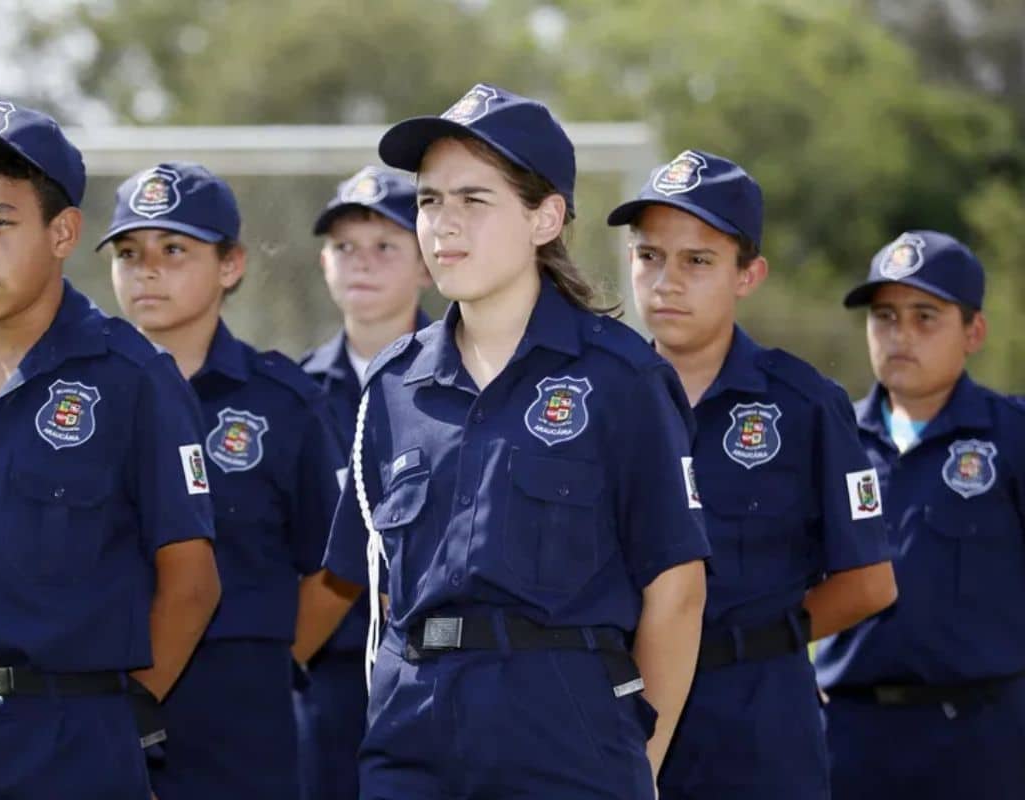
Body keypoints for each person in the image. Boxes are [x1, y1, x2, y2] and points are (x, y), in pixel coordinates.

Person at [297, 83, 710, 799]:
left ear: (544, 217)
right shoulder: (393, 386)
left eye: (473, 200)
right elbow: (382, 593)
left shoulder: (622, 378)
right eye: (429, 201)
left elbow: (676, 592)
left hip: (566, 738)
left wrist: (639, 764)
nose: (442, 225)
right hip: (412, 740)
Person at [0, 99, 220, 800]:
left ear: (62, 233)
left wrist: (118, 717)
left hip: (75, 734)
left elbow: (192, 582)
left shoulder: (132, 377)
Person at [609, 149, 898, 800]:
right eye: (648, 255)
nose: (666, 281)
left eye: (698, 261)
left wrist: (761, 639)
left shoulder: (803, 404)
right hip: (619, 712)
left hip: (756, 722)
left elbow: (868, 581)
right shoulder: (591, 402)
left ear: (749, 274)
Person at [100, 160, 345, 800]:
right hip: (98, 703)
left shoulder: (283, 403)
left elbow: (335, 566)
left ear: (230, 265)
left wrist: (271, 654)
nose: (147, 268)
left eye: (174, 249)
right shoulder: (79, 402)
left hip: (237, 716)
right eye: (129, 252)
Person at [814, 230, 1025, 799]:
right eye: (884, 317)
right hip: (852, 735)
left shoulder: (1012, 437)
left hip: (984, 738)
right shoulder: (831, 440)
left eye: (925, 316)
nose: (900, 335)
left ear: (973, 331)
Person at [293, 165, 430, 800]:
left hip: (435, 677)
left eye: (385, 246)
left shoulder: (470, 386)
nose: (362, 264)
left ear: (427, 260)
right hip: (323, 681)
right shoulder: (291, 395)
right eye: (344, 246)